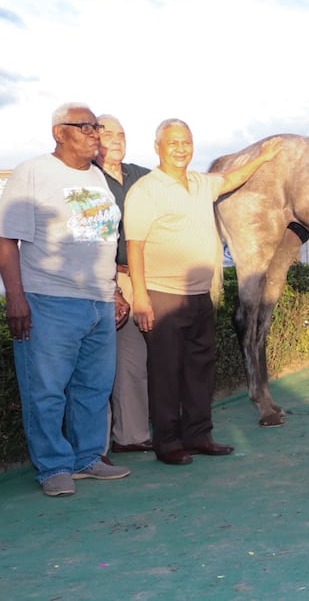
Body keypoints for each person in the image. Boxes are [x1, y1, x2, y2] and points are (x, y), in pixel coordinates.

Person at [125, 120, 282, 466]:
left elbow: (230, 179)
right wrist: (139, 296)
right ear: (157, 147)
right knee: (166, 372)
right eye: (173, 142)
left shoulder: (199, 183)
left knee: (200, 367)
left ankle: (199, 435)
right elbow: (134, 246)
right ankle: (167, 444)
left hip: (198, 295)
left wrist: (263, 156)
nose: (181, 148)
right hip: (162, 294)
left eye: (186, 142)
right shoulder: (146, 190)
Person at [0, 102, 131, 497]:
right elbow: (7, 239)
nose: (96, 134)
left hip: (98, 302)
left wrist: (115, 290)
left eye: (97, 128)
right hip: (48, 299)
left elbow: (101, 241)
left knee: (93, 387)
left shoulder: (96, 177)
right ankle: (53, 466)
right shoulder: (33, 172)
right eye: (87, 127)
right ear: (60, 132)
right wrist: (16, 299)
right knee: (46, 390)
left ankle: (87, 458)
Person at [94, 114, 153, 453]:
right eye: (107, 133)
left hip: (145, 277)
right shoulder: (88, 179)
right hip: (108, 280)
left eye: (121, 134)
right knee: (105, 366)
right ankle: (96, 448)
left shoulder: (140, 176)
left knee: (136, 361)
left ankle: (132, 436)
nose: (116, 139)